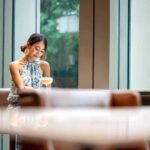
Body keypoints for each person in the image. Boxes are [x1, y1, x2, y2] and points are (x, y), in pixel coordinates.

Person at [7, 33, 51, 107]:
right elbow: (22, 88)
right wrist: (40, 91)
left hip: (38, 106)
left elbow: (48, 90)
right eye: (37, 48)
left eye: (42, 51)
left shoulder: (44, 66)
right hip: (18, 106)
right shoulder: (14, 65)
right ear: (29, 45)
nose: (38, 53)